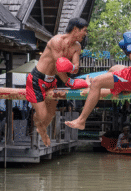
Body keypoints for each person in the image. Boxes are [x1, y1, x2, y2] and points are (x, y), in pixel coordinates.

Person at [65, 14, 131, 130]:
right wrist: (128, 50)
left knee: (97, 81)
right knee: (114, 68)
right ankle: (97, 88)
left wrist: (129, 47)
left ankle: (81, 121)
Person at [26, 17, 90, 146]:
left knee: (50, 114)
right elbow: (59, 66)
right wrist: (68, 81)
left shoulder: (77, 46)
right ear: (76, 29)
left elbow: (75, 67)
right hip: (37, 79)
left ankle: (40, 126)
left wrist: (72, 68)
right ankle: (38, 125)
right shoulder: (56, 41)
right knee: (43, 115)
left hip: (52, 81)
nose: (86, 34)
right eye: (84, 30)